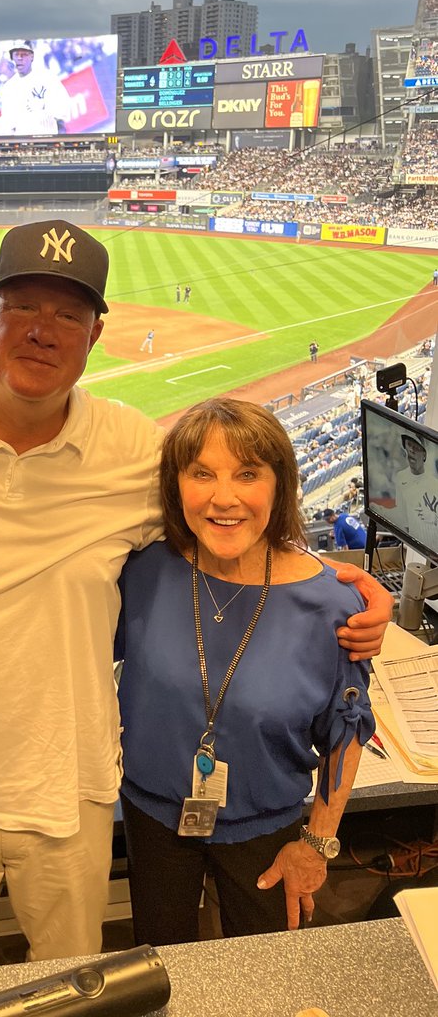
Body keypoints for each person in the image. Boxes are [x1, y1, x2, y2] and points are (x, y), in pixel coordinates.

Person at [0, 220, 390, 977]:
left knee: (78, 987)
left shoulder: (131, 450)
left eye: (69, 315)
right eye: (22, 306)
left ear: (95, 334)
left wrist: (340, 583)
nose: (42, 331)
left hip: (72, 787)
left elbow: (224, 516)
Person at [116, 399, 374, 946]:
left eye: (248, 473)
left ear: (280, 486)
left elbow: (345, 731)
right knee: (160, 970)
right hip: (152, 821)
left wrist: (320, 842)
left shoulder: (332, 604)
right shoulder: (140, 571)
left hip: (268, 831)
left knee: (265, 985)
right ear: (175, 484)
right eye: (201, 474)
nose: (224, 497)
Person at [0, 40, 73, 137]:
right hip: (24, 144)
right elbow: (8, 122)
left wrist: (43, 109)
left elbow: (63, 109)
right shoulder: (7, 89)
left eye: (23, 54)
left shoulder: (46, 77)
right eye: (16, 55)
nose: (19, 58)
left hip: (48, 138)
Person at [391, 432, 438, 550]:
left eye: (416, 447)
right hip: (415, 544)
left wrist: (435, 518)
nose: (411, 450)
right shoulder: (401, 477)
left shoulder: (434, 484)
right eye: (409, 445)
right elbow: (403, 518)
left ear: (424, 455)